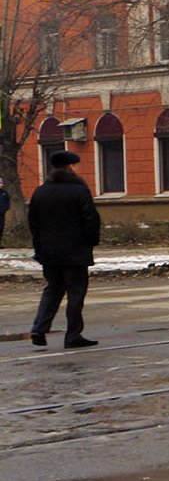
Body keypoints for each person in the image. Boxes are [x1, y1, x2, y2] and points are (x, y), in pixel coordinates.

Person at [27, 150, 102, 349]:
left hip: (49, 252)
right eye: (75, 165)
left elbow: (33, 223)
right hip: (75, 251)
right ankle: (73, 335)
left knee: (52, 289)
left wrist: (40, 247)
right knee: (75, 293)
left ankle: (39, 329)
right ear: (70, 167)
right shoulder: (79, 190)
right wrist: (90, 242)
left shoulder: (40, 191)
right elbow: (91, 220)